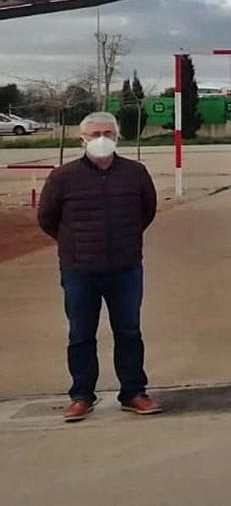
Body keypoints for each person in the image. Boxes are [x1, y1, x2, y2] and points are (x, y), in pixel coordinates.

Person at [37, 112, 162, 422]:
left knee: (129, 332)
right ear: (83, 139)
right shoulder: (62, 177)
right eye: (95, 134)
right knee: (81, 334)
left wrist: (126, 239)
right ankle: (81, 396)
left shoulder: (135, 173)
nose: (101, 139)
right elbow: (47, 219)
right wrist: (76, 244)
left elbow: (147, 211)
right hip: (79, 270)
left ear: (118, 137)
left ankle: (133, 392)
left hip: (126, 268)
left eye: (108, 132)